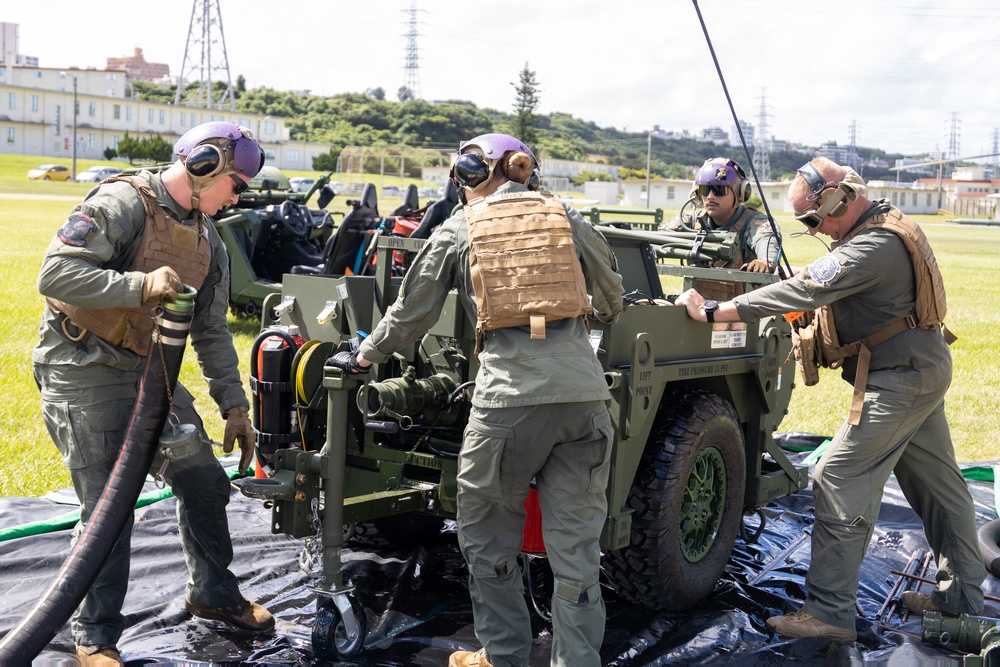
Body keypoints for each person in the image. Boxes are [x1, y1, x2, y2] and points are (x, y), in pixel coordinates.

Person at [329, 133, 624, 667]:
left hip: (507, 404)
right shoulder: (566, 214)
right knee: (577, 555)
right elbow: (610, 299)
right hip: (584, 401)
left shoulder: (462, 225)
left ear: (474, 173)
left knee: (489, 541)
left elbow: (412, 312)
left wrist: (366, 357)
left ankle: (504, 656)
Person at [674, 157, 985, 643]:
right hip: (919, 369)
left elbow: (805, 289)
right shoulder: (880, 227)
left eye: (813, 218)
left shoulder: (873, 245)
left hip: (900, 381)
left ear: (840, 199)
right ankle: (961, 599)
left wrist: (717, 311)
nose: (812, 230)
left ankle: (830, 612)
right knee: (938, 486)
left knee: (837, 475)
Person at [33, 121, 275, 665]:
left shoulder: (209, 239)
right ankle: (95, 635)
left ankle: (213, 594)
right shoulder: (121, 203)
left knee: (205, 480)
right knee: (108, 509)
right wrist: (140, 286)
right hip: (83, 368)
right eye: (236, 185)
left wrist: (234, 405)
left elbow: (211, 329)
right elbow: (56, 275)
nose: (237, 198)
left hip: (150, 371)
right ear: (206, 165)